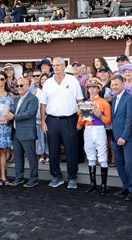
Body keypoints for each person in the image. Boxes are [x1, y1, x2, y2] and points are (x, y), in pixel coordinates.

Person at [40, 57, 84, 189]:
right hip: (52, 120)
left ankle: (72, 178)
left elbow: (80, 101)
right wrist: (43, 121)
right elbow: (43, 104)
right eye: (54, 65)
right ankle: (57, 176)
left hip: (70, 120)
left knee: (71, 150)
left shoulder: (73, 81)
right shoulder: (48, 82)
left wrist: (80, 120)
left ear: (64, 66)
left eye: (58, 65)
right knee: (53, 150)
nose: (56, 67)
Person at [77, 78, 111, 195]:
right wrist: (80, 115)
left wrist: (100, 115)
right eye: (89, 87)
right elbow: (80, 124)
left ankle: (103, 185)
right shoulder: (85, 103)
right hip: (88, 129)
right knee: (90, 155)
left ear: (98, 89)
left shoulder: (104, 102)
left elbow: (108, 121)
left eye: (94, 87)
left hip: (99, 129)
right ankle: (92, 184)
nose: (91, 90)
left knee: (102, 156)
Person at [6, 77, 39, 187]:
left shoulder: (32, 99)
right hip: (16, 132)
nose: (19, 87)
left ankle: (34, 178)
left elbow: (29, 114)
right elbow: (14, 112)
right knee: (18, 157)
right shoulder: (17, 99)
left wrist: (13, 116)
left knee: (31, 157)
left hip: (27, 132)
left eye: (22, 85)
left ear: (28, 85)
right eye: (18, 85)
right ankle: (19, 178)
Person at [110, 75, 132, 200]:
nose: (114, 87)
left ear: (123, 84)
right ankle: (125, 186)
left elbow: (129, 119)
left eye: (116, 84)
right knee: (119, 163)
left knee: (129, 163)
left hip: (126, 137)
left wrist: (124, 137)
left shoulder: (130, 99)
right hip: (116, 136)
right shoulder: (114, 99)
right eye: (112, 85)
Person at [35, 73, 49, 164]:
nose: (43, 81)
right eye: (42, 79)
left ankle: (48, 155)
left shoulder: (50, 90)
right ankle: (41, 155)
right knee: (39, 138)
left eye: (45, 79)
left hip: (48, 118)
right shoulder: (36, 91)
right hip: (37, 119)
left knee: (48, 138)